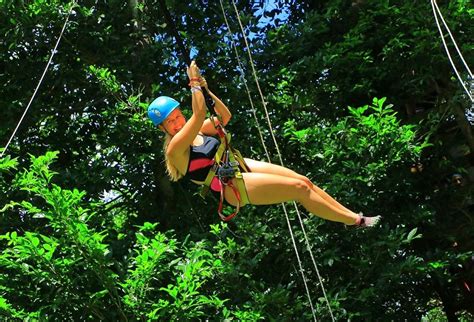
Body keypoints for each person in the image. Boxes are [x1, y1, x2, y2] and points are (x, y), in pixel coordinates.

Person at [148, 61, 380, 227]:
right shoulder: (175, 148)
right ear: (163, 128)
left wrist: (206, 89)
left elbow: (224, 117)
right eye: (170, 122)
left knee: (304, 181)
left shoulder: (197, 129)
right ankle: (354, 221)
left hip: (238, 164)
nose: (177, 123)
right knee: (299, 190)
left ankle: (354, 217)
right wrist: (194, 82)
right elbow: (198, 113)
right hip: (230, 186)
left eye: (178, 116)